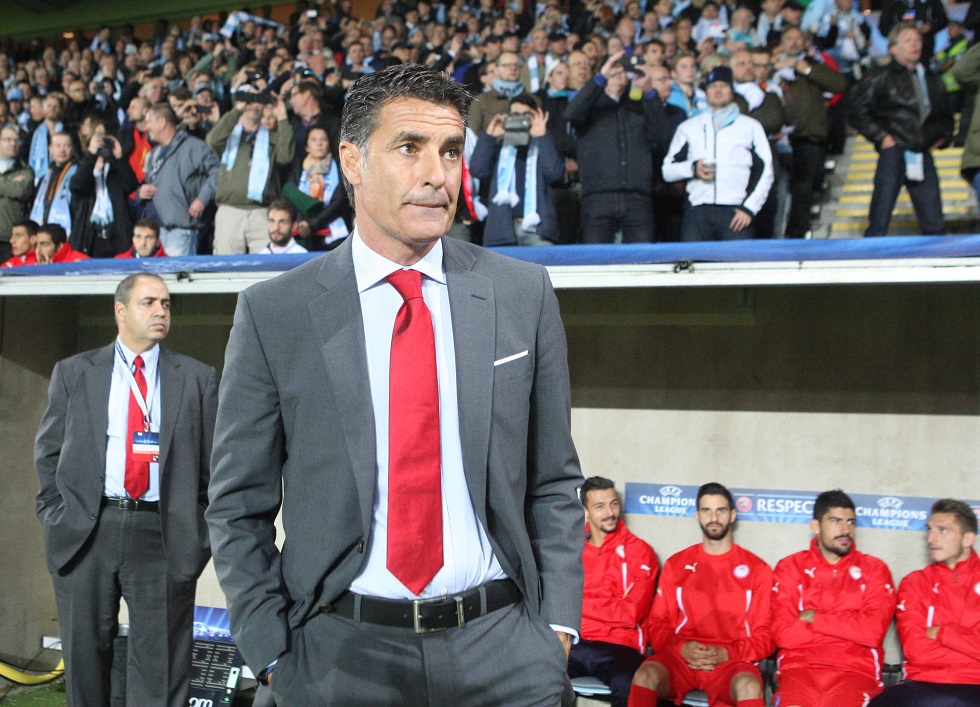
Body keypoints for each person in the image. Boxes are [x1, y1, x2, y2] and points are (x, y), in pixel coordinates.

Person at [206, 64, 584, 706]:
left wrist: (556, 628)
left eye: (451, 151)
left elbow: (553, 479)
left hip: (506, 651)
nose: (437, 174)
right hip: (338, 657)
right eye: (410, 147)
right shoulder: (276, 312)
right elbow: (238, 504)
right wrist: (270, 652)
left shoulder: (522, 293)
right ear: (351, 162)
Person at [34, 273, 218, 706]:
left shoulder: (198, 378)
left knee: (162, 667)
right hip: (87, 531)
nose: (160, 312)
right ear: (120, 311)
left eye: (166, 304)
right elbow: (48, 454)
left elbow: (214, 468)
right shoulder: (75, 372)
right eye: (149, 302)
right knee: (85, 661)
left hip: (163, 535)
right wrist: (56, 515)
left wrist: (197, 532)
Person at [629, 482, 773, 707]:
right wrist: (681, 648)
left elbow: (766, 636)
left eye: (721, 510)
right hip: (681, 658)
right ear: (697, 515)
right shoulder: (677, 564)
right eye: (707, 510)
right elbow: (657, 624)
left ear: (733, 515)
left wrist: (727, 653)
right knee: (645, 676)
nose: (714, 517)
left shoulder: (758, 569)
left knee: (750, 687)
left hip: (731, 662)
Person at [771, 490, 896, 706]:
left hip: (855, 671)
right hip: (799, 669)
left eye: (851, 522)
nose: (846, 530)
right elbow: (783, 634)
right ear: (816, 526)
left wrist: (815, 618)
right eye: (836, 521)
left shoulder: (874, 569)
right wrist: (848, 630)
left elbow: (872, 632)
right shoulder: (790, 567)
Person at [870, 499, 980, 707]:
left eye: (942, 530)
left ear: (968, 538)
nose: (931, 538)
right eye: (929, 529)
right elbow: (916, 651)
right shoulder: (915, 583)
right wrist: (969, 647)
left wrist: (943, 633)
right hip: (923, 683)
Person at [849, 23, 952, 237]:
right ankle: (871, 255)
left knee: (934, 223)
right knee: (880, 219)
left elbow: (944, 112)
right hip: (894, 150)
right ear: (893, 48)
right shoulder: (880, 76)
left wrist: (943, 136)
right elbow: (857, 110)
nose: (915, 45)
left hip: (922, 151)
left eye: (917, 40)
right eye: (908, 41)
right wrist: (882, 137)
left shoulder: (930, 76)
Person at [567, 477, 659, 707]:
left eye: (614, 503)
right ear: (585, 510)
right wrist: (611, 603)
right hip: (575, 643)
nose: (610, 513)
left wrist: (578, 604)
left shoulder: (640, 552)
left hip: (620, 646)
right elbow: (557, 602)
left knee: (630, 684)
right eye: (600, 506)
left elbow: (631, 613)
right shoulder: (571, 549)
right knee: (536, 675)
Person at [565, 50, 668, 243]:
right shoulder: (590, 106)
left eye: (623, 70)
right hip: (597, 197)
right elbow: (571, 114)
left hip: (637, 197)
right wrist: (600, 78)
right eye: (614, 69)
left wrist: (649, 92)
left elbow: (662, 136)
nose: (618, 73)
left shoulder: (639, 105)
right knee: (595, 257)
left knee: (641, 258)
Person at [663, 66, 774, 241]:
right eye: (713, 86)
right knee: (694, 259)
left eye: (723, 85)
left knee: (736, 260)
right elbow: (667, 171)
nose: (718, 90)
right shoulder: (688, 127)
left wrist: (749, 208)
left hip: (736, 212)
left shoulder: (750, 127)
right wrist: (693, 168)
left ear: (732, 91)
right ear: (706, 92)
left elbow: (766, 170)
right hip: (698, 212)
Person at [207, 87, 295, 254]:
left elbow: (285, 156)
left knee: (266, 265)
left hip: (262, 212)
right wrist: (237, 109)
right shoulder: (229, 135)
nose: (254, 104)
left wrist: (282, 117)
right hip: (229, 210)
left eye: (257, 99)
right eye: (249, 99)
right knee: (227, 265)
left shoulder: (271, 136)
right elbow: (212, 141)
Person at [469, 95, 565, 246]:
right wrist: (489, 136)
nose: (521, 119)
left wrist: (542, 137)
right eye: (515, 115)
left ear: (537, 116)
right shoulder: (498, 148)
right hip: (502, 230)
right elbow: (478, 171)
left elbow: (555, 174)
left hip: (537, 231)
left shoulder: (546, 144)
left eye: (526, 115)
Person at [137, 102, 218, 257]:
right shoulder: (154, 153)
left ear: (162, 122)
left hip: (183, 232)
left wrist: (202, 199)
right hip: (159, 232)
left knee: (178, 272)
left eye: (149, 122)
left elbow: (217, 172)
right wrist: (141, 192)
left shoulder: (194, 147)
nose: (146, 127)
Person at [69, 127, 137, 258]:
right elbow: (76, 186)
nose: (102, 143)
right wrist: (91, 155)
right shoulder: (85, 170)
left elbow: (130, 185)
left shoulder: (116, 171)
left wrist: (119, 157)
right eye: (98, 139)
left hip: (117, 236)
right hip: (91, 237)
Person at [283, 126, 352, 251]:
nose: (319, 143)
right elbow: (291, 197)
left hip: (333, 232)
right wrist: (301, 222)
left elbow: (340, 202)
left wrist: (312, 223)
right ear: (307, 147)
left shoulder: (340, 166)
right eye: (314, 140)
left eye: (323, 139)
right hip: (302, 230)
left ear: (329, 144)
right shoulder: (298, 168)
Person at [29, 131, 76, 234]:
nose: (62, 150)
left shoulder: (77, 175)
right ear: (50, 149)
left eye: (67, 146)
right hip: (43, 229)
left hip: (67, 231)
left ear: (73, 149)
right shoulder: (45, 177)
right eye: (58, 146)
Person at [0, 125, 34, 261]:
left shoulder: (25, 170)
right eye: (8, 140)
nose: (13, 144)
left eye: (16, 140)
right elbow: (12, 189)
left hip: (9, 238)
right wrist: (9, 183)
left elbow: (21, 191)